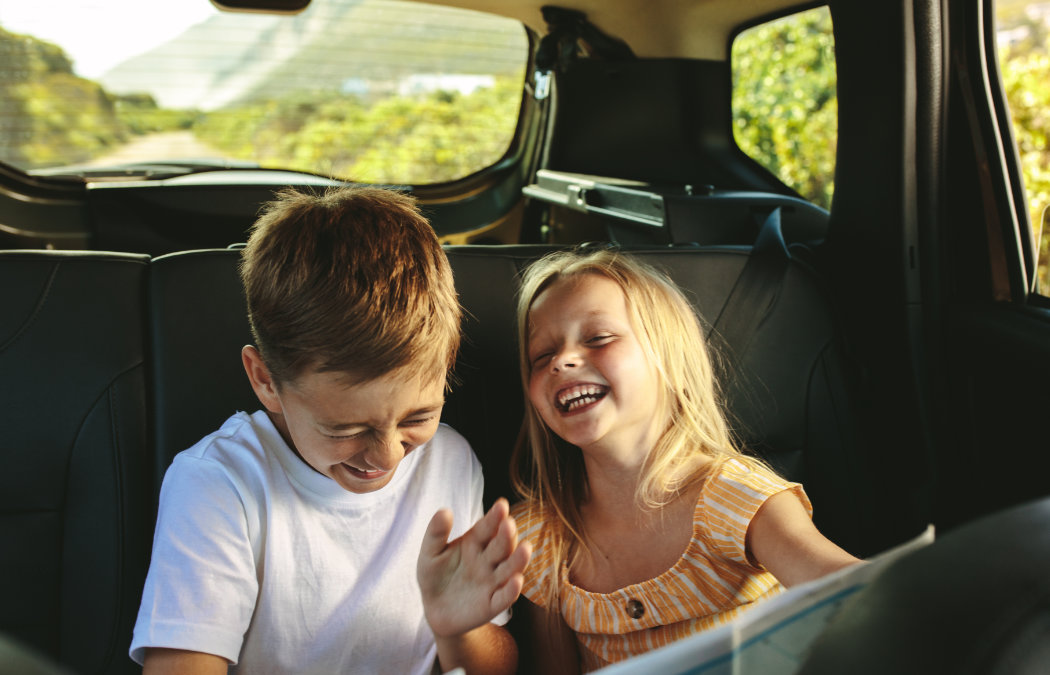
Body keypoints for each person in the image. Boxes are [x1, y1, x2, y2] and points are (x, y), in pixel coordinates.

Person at [130, 187, 531, 675]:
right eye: (345, 428)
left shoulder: (450, 460)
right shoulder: (219, 485)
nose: (386, 457)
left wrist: (457, 630)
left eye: (416, 419)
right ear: (265, 381)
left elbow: (498, 666)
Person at [509, 248, 859, 673]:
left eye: (598, 338)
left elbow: (848, 590)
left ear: (668, 359)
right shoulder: (543, 538)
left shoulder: (733, 498)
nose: (561, 361)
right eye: (540, 357)